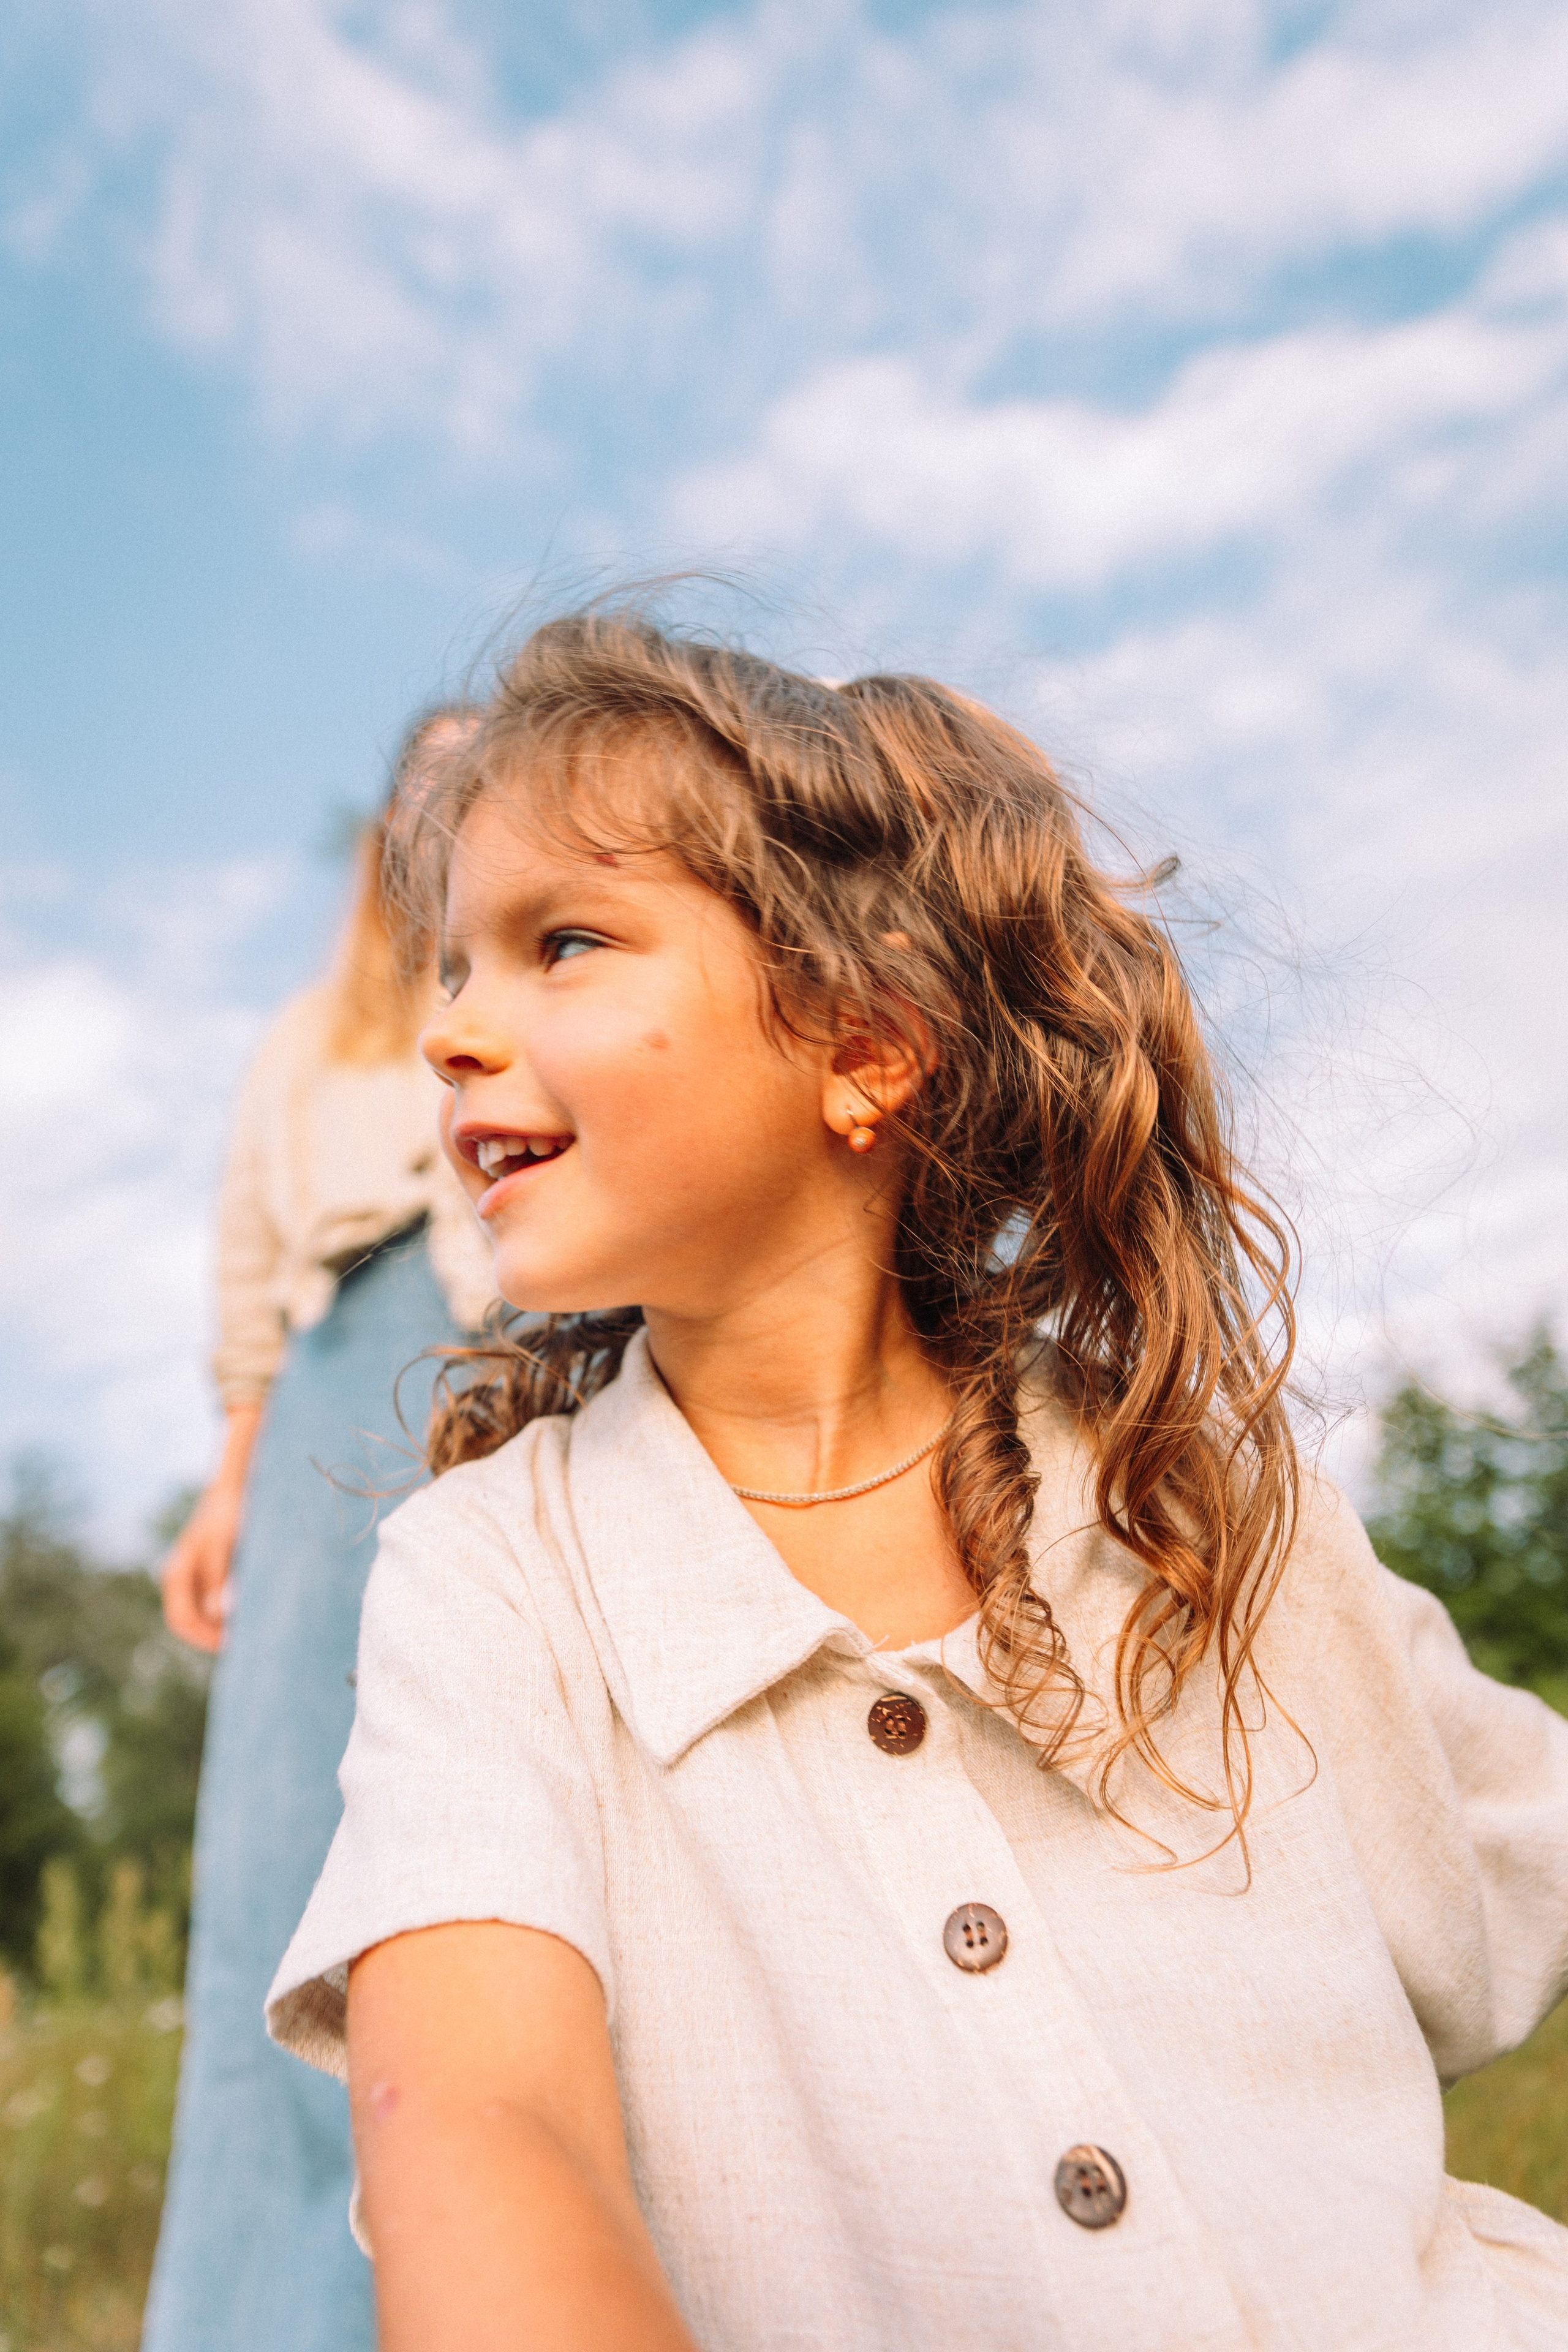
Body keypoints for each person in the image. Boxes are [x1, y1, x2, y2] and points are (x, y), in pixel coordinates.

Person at [267, 612, 1568, 2351]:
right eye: (450, 969)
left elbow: (1497, 1881)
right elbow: (482, 2129)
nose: (453, 1032)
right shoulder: (491, 1574)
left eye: (560, 943)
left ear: (864, 1050)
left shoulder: (1198, 1499)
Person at [145, 707, 496, 2352]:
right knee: (285, 1865)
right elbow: (247, 1269)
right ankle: (271, 2316)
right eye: (425, 782)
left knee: (498, 1841)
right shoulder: (311, 1036)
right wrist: (229, 1481)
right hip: (327, 1400)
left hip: (512, 1384)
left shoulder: (530, 1004)